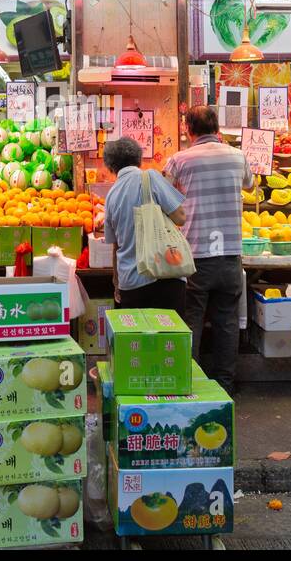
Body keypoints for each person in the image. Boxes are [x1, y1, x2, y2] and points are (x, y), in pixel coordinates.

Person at [163, 107, 253, 394]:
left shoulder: (179, 160)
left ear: (189, 129)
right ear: (217, 128)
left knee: (192, 320)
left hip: (195, 255)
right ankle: (224, 385)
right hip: (230, 254)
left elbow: (163, 196)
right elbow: (251, 186)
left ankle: (190, 384)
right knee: (227, 322)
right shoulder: (238, 156)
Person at [103, 136, 187, 312]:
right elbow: (180, 217)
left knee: (137, 338)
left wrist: (116, 283)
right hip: (165, 275)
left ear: (111, 166)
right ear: (138, 158)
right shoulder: (151, 177)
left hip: (131, 283)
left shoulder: (111, 195)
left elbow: (116, 246)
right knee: (169, 337)